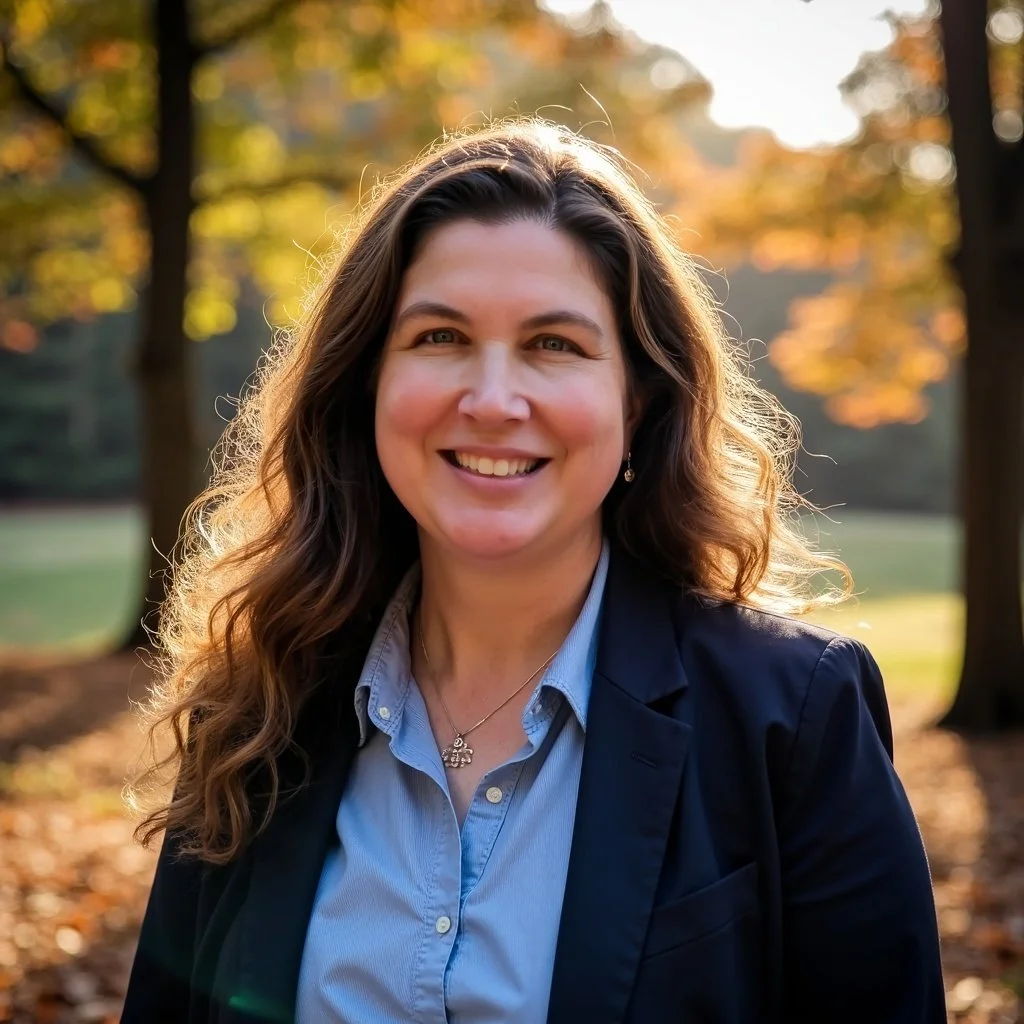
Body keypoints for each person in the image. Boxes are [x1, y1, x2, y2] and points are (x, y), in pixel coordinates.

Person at [122, 120, 945, 1024]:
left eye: (556, 345)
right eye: (440, 337)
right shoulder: (258, 705)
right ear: (367, 386)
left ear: (639, 402)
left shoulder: (792, 715)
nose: (493, 400)